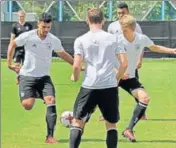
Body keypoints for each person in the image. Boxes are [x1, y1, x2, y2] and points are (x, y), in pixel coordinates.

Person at [7, 12, 74, 144]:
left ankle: (50, 136)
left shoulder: (53, 40)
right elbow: (12, 44)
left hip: (44, 78)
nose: (46, 30)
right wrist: (9, 63)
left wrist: (76, 65)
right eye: (43, 27)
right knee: (27, 105)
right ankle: (35, 92)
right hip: (27, 75)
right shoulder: (28, 36)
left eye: (48, 27)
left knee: (51, 100)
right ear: (38, 23)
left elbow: (63, 54)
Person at [69, 8, 128, 148]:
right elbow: (124, 64)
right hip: (109, 86)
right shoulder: (115, 38)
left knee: (77, 121)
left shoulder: (80, 40)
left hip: (89, 86)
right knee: (111, 124)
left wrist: (75, 77)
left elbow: (76, 66)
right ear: (103, 21)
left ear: (87, 21)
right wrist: (117, 78)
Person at [118, 14, 176, 142]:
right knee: (98, 103)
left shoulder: (141, 38)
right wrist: (118, 73)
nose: (122, 32)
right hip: (114, 76)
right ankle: (78, 122)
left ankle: (129, 130)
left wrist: (172, 50)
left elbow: (154, 47)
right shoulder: (117, 40)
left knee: (144, 98)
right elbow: (108, 60)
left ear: (133, 29)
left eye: (125, 29)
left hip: (129, 77)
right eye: (121, 29)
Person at [103, 2, 148, 121]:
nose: (120, 15)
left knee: (135, 85)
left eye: (123, 12)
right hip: (117, 63)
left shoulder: (135, 26)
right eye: (118, 13)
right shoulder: (112, 26)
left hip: (131, 62)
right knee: (111, 89)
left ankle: (142, 112)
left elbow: (141, 44)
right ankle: (107, 113)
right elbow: (109, 44)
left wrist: (139, 59)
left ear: (128, 11)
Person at [10, 10, 33, 84]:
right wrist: (11, 45)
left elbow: (31, 36)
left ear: (24, 16)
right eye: (20, 16)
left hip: (27, 48)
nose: (21, 17)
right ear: (18, 16)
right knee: (17, 64)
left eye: (22, 16)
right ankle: (18, 76)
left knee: (25, 65)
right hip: (18, 49)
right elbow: (12, 37)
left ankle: (24, 78)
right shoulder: (15, 26)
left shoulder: (29, 25)